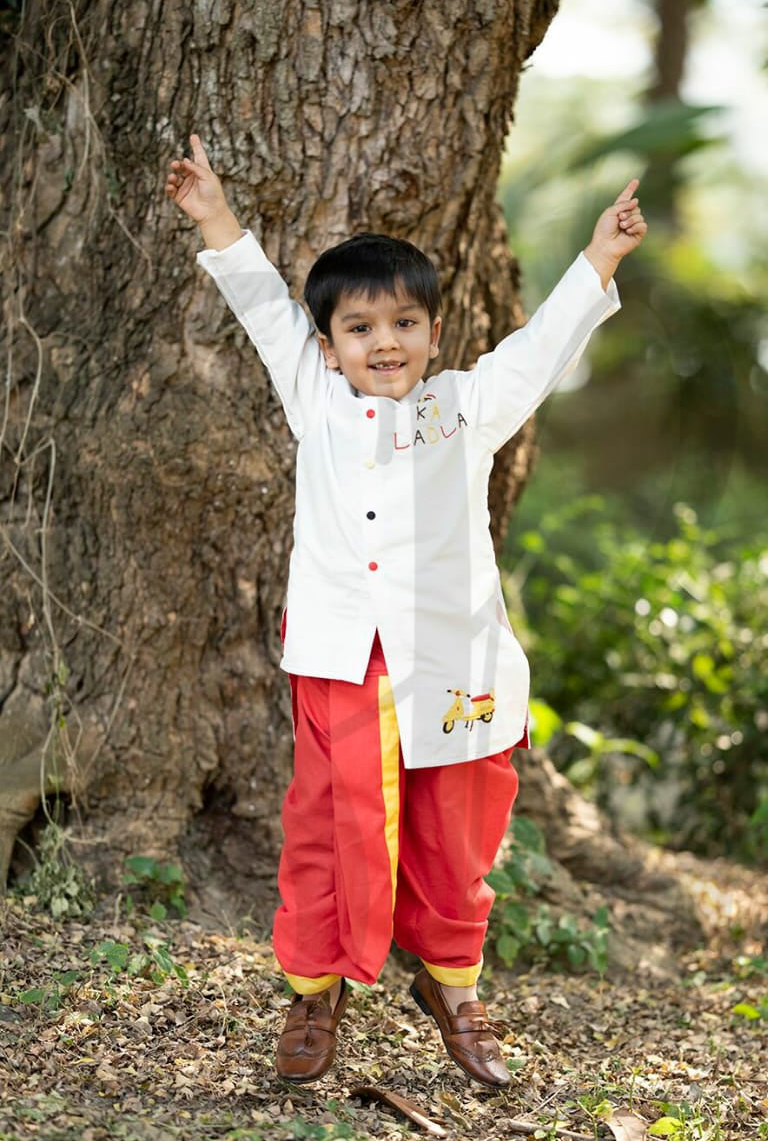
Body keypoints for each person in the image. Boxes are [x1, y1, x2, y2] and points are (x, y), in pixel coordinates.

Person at [165, 134, 646, 1088]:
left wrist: (600, 258)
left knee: (454, 831)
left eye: (403, 324)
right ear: (329, 344)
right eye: (358, 328)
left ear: (432, 333)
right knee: (330, 825)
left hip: (455, 665)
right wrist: (216, 218)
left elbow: (545, 349)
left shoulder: (465, 407)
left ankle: (454, 987)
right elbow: (261, 306)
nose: (383, 343)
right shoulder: (315, 399)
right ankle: (314, 989)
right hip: (346, 658)